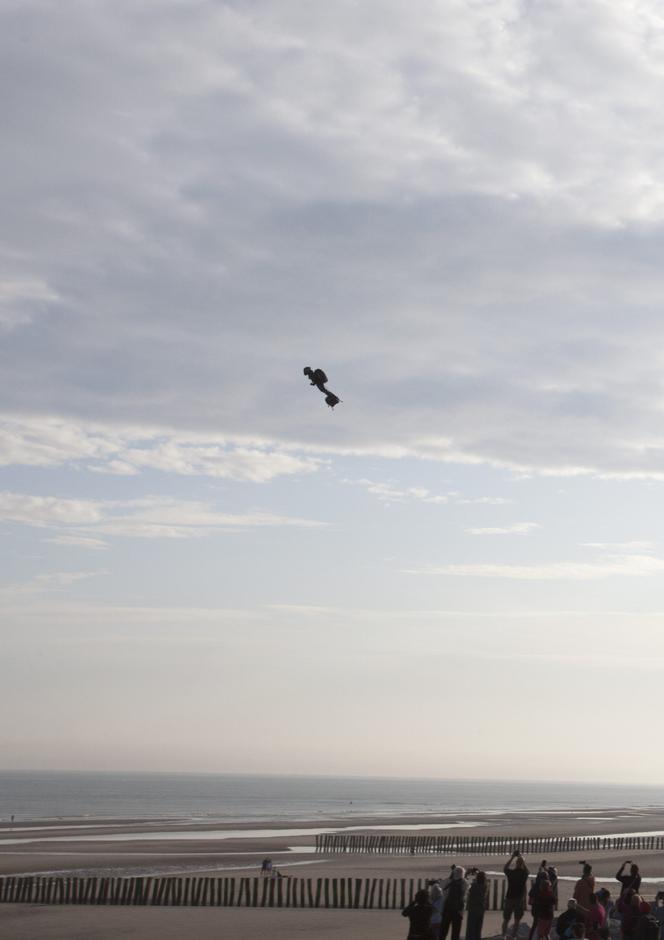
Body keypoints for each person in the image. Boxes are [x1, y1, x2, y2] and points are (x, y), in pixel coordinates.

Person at [502, 851, 530, 940]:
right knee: (517, 919)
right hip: (519, 898)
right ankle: (513, 936)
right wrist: (521, 859)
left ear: (516, 863)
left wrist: (512, 857)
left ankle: (503, 935)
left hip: (510, 897)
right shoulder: (523, 874)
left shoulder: (512, 873)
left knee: (506, 918)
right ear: (522, 864)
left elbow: (505, 868)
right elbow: (527, 871)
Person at [441, 867, 468, 940]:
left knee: (443, 930)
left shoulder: (448, 881)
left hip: (447, 908)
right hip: (458, 910)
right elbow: (465, 894)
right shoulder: (464, 882)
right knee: (456, 931)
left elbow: (443, 891)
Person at [533, 872, 556, 940]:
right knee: (546, 933)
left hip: (542, 916)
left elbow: (537, 904)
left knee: (540, 934)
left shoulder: (540, 895)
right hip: (550, 915)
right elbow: (554, 902)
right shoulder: (551, 895)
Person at [466, 871, 488, 940]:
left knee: (471, 927)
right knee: (478, 927)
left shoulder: (474, 886)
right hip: (481, 908)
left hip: (473, 908)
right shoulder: (485, 886)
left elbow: (469, 892)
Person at [574, 863, 596, 931]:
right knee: (588, 925)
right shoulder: (592, 880)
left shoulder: (580, 882)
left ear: (584, 871)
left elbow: (575, 895)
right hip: (589, 906)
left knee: (580, 926)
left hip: (581, 907)